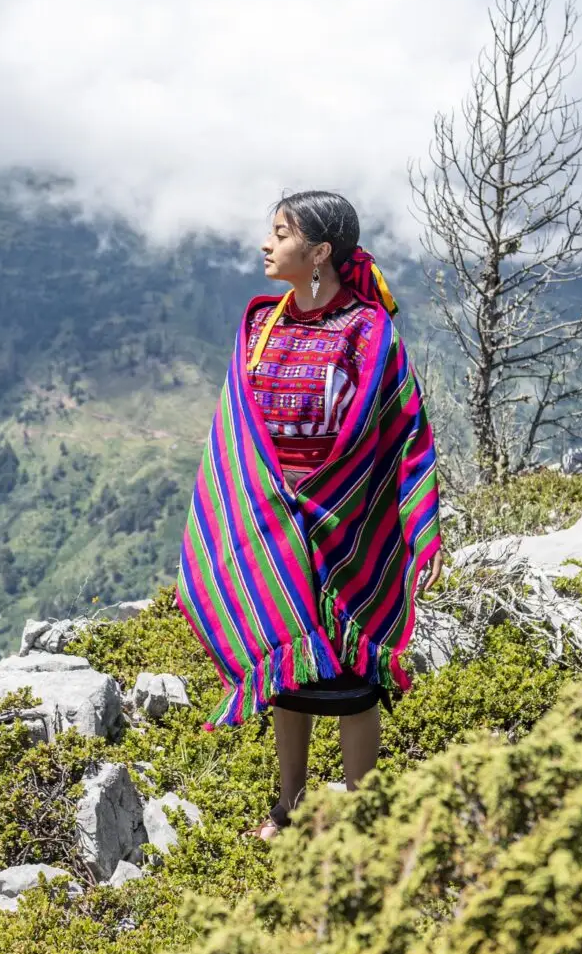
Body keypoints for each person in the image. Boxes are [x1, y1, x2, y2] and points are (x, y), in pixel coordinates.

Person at [175, 190, 443, 840]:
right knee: (287, 672)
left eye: (281, 234)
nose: (267, 245)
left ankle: (361, 812)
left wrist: (422, 530)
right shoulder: (263, 327)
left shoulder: (369, 333)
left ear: (319, 253)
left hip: (350, 521)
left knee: (354, 678)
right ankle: (288, 806)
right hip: (273, 525)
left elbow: (408, 433)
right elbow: (235, 431)